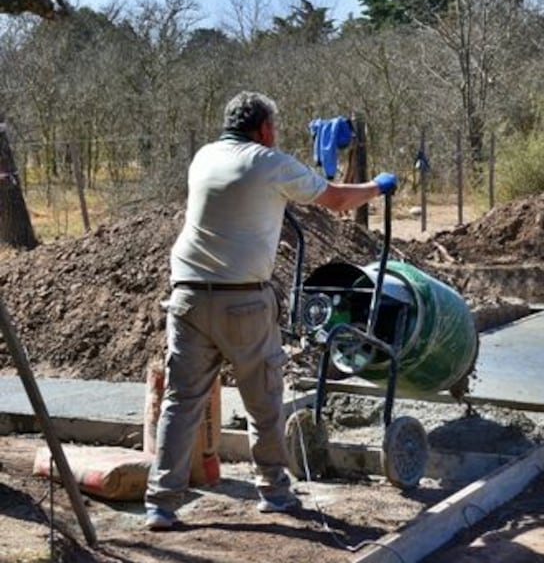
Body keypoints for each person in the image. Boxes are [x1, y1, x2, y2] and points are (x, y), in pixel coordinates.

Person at [144, 91, 397, 530]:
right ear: (264, 128)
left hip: (185, 298)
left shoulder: (203, 157)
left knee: (181, 402)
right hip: (242, 300)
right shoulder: (269, 162)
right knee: (264, 400)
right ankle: (275, 493)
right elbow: (336, 200)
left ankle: (160, 504)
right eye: (273, 129)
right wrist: (378, 186)